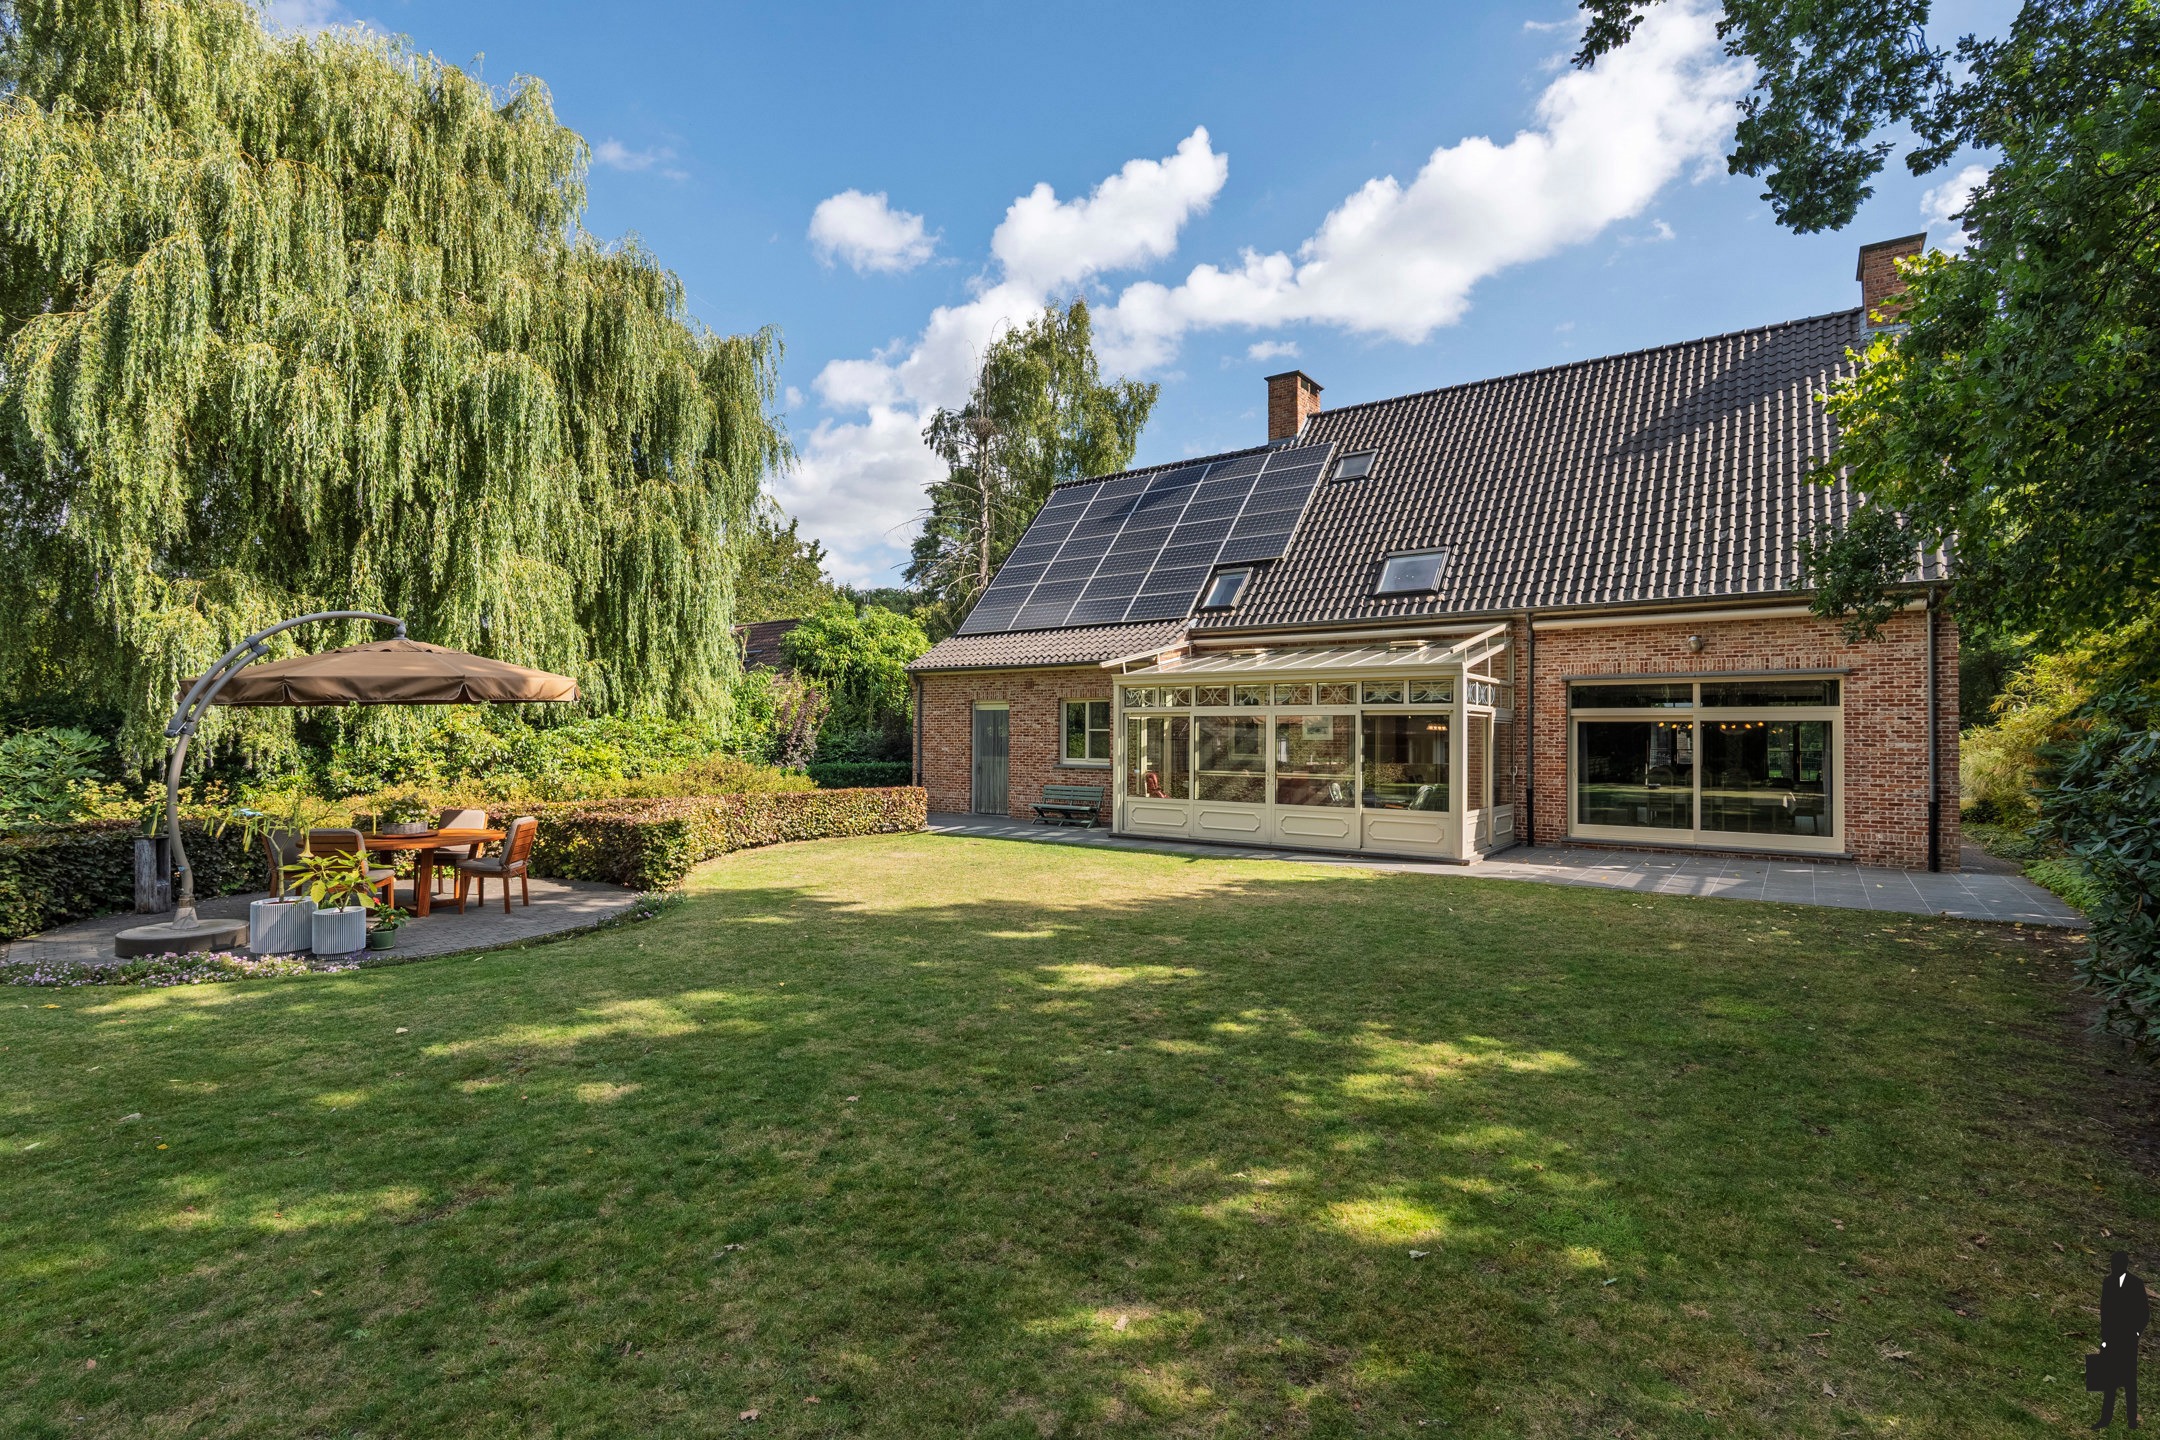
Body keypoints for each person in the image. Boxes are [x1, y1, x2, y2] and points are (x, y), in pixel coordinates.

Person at [2098, 1250, 2149, 1429]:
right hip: (2112, 1338)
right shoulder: (2108, 1282)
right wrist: (2104, 1338)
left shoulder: (2136, 1284)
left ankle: (2131, 1420)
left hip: (2127, 1339)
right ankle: (2105, 1418)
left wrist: (2135, 1333)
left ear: (2124, 1265)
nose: (2114, 1268)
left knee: (2129, 1381)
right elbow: (2105, 1312)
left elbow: (2144, 1313)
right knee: (2109, 1380)